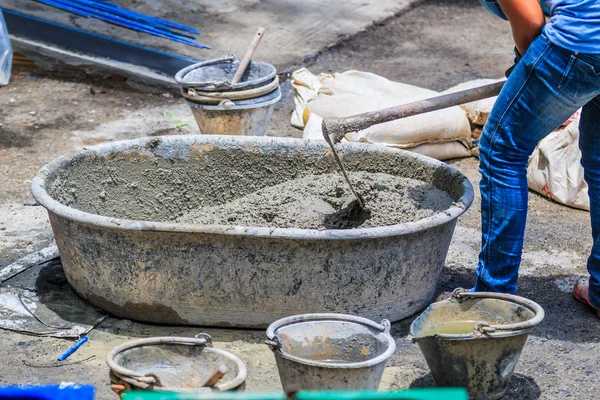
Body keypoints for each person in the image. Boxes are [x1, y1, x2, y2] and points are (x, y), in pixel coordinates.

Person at [472, 0, 600, 317]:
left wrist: (531, 77)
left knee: (501, 151)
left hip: (583, 42)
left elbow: (529, 21)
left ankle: (493, 300)